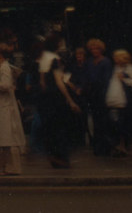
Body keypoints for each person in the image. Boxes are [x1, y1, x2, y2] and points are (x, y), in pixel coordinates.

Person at [36, 35, 81, 169]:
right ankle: (62, 157)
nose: (62, 45)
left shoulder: (44, 57)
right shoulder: (54, 59)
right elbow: (59, 82)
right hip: (57, 98)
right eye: (61, 43)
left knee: (51, 129)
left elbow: (42, 82)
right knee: (61, 128)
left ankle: (54, 156)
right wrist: (70, 100)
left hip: (47, 99)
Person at [0, 41, 26, 175]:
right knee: (5, 138)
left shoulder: (4, 68)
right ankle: (8, 167)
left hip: (6, 107)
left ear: (0, 53)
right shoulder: (2, 66)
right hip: (2, 106)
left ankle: (13, 167)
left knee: (9, 137)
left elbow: (5, 85)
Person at [105, 49, 132, 156]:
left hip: (124, 99)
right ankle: (117, 145)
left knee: (123, 123)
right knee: (114, 122)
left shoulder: (129, 68)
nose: (115, 59)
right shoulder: (114, 68)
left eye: (117, 57)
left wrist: (124, 79)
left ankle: (123, 145)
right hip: (113, 98)